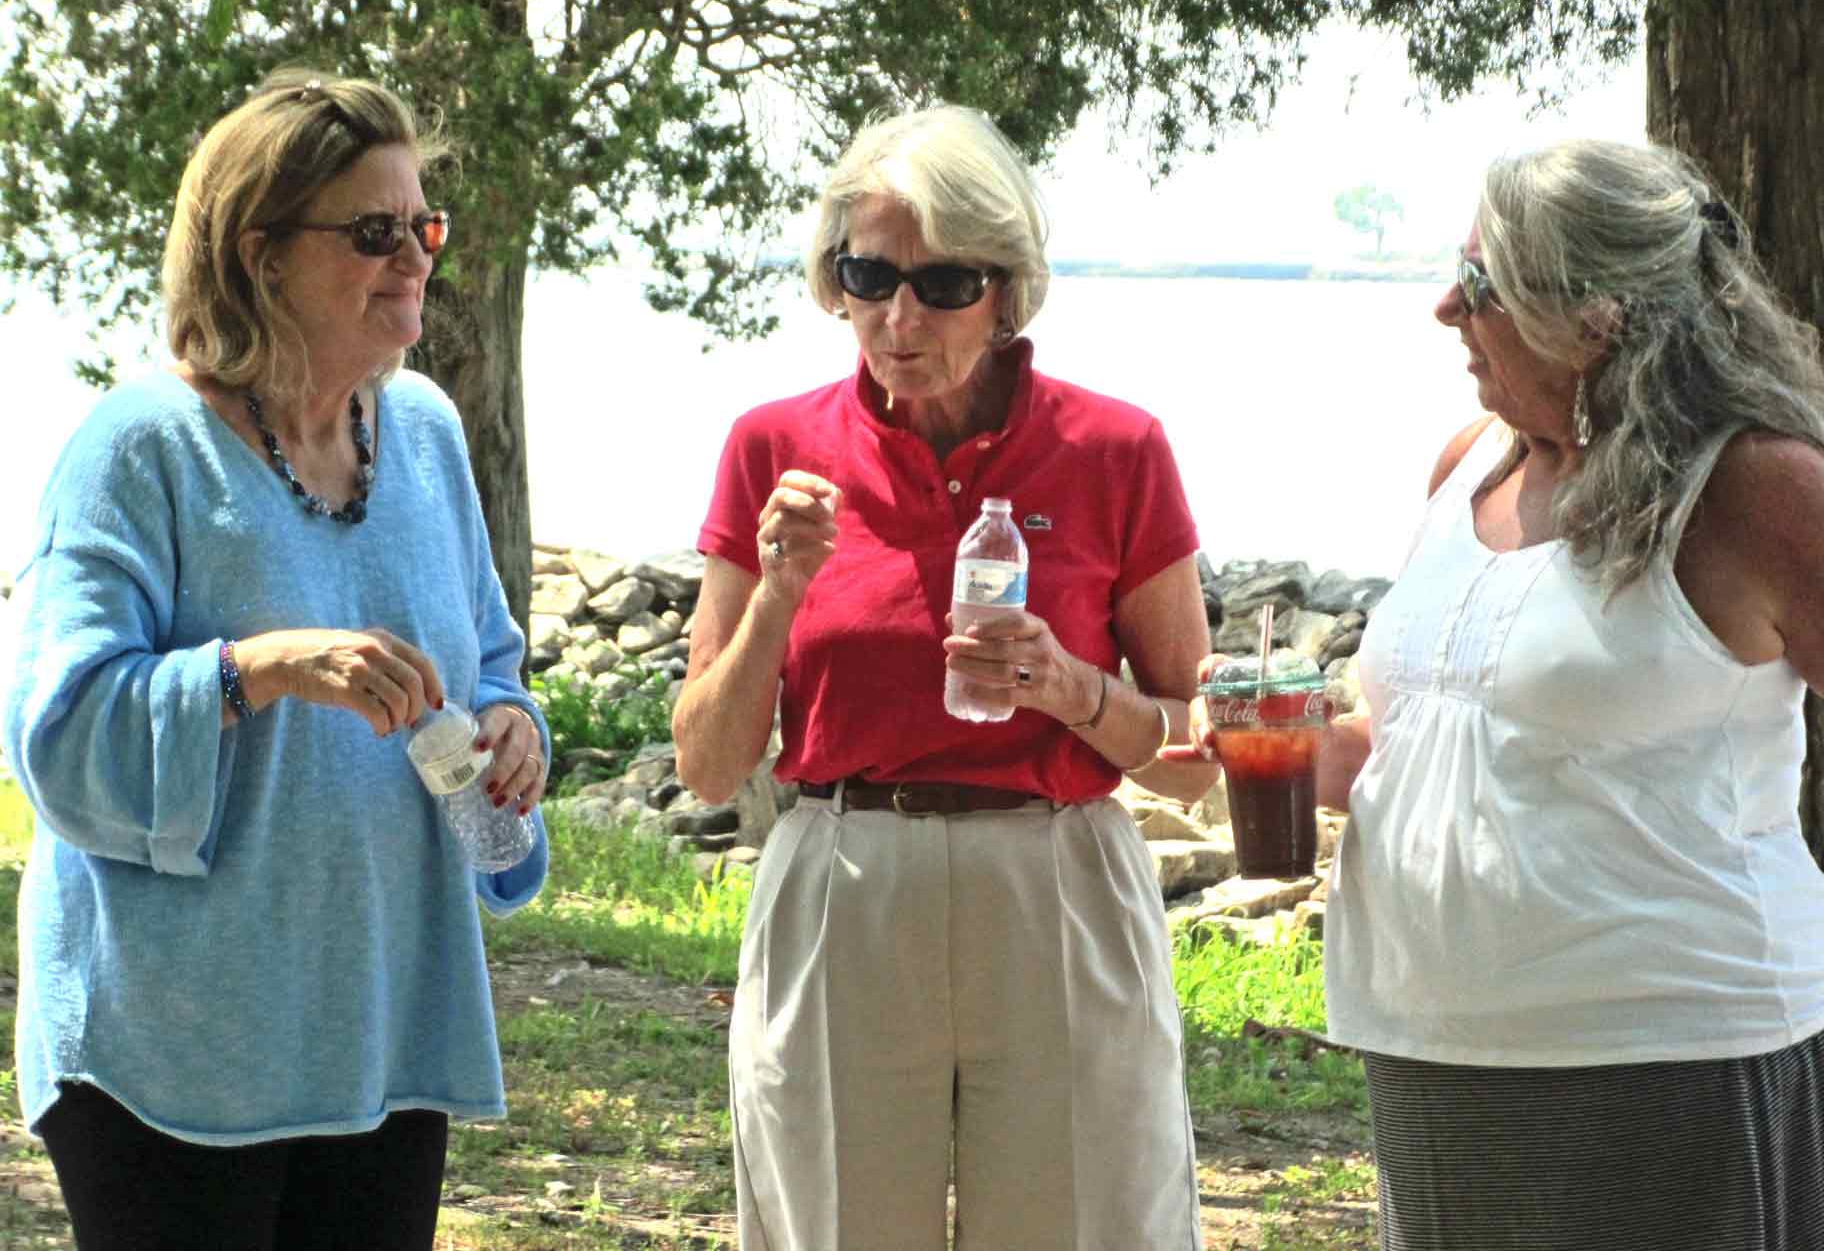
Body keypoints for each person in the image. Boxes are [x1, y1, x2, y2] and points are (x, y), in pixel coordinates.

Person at [1201, 139, 1824, 1250]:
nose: (1446, 307)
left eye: (1484, 285)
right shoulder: (1464, 467)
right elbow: (1400, 744)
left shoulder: (1754, 487)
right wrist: (1271, 735)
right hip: (1431, 1051)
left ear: (1600, 316)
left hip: (1668, 1062)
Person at [0, 68, 550, 1250]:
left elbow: (491, 665)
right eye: (371, 231)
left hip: (382, 1024)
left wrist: (515, 733)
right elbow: (57, 731)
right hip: (173, 1052)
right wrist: (256, 668)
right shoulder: (136, 450)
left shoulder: (432, 434)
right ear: (258, 254)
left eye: (423, 226)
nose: (414, 257)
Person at [672, 104, 1212, 1249]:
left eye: (942, 284)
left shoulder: (1118, 449)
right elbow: (710, 763)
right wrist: (776, 592)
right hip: (844, 882)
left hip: (1055, 884)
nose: (897, 317)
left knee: (1087, 1223)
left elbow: (1199, 756)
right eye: (868, 275)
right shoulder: (772, 447)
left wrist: (1072, 689)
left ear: (1008, 292)